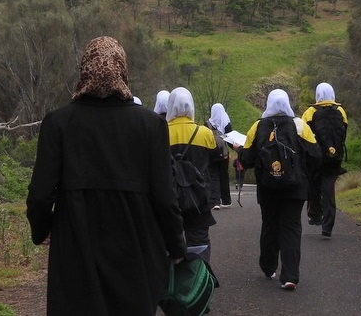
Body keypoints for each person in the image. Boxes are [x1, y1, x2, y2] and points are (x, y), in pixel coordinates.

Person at [26, 36, 186, 316]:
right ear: (122, 70)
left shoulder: (58, 122)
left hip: (76, 244)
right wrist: (176, 245)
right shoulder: (150, 125)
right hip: (135, 248)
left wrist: (44, 230)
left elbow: (40, 194)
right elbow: (164, 196)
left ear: (84, 69)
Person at [237, 88, 321, 291]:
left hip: (267, 188)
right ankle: (290, 276)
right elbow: (316, 156)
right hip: (295, 187)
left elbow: (246, 159)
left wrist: (240, 151)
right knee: (291, 228)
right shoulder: (300, 125)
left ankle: (268, 267)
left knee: (270, 225)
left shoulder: (257, 126)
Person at [166, 86, 220, 262]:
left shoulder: (160, 131)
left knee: (168, 243)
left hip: (170, 198)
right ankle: (199, 283)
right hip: (198, 198)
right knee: (199, 244)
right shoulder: (204, 133)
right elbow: (213, 163)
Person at [302, 82, 349, 238]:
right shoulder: (341, 111)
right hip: (334, 158)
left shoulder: (310, 112)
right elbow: (344, 135)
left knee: (313, 185)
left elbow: (303, 135)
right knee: (329, 190)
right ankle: (328, 226)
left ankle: (315, 214)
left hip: (315, 159)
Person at [207, 103, 234, 209]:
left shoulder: (207, 123)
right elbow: (230, 138)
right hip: (224, 154)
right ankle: (226, 200)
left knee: (213, 176)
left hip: (211, 153)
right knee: (224, 176)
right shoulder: (226, 123)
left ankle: (215, 201)